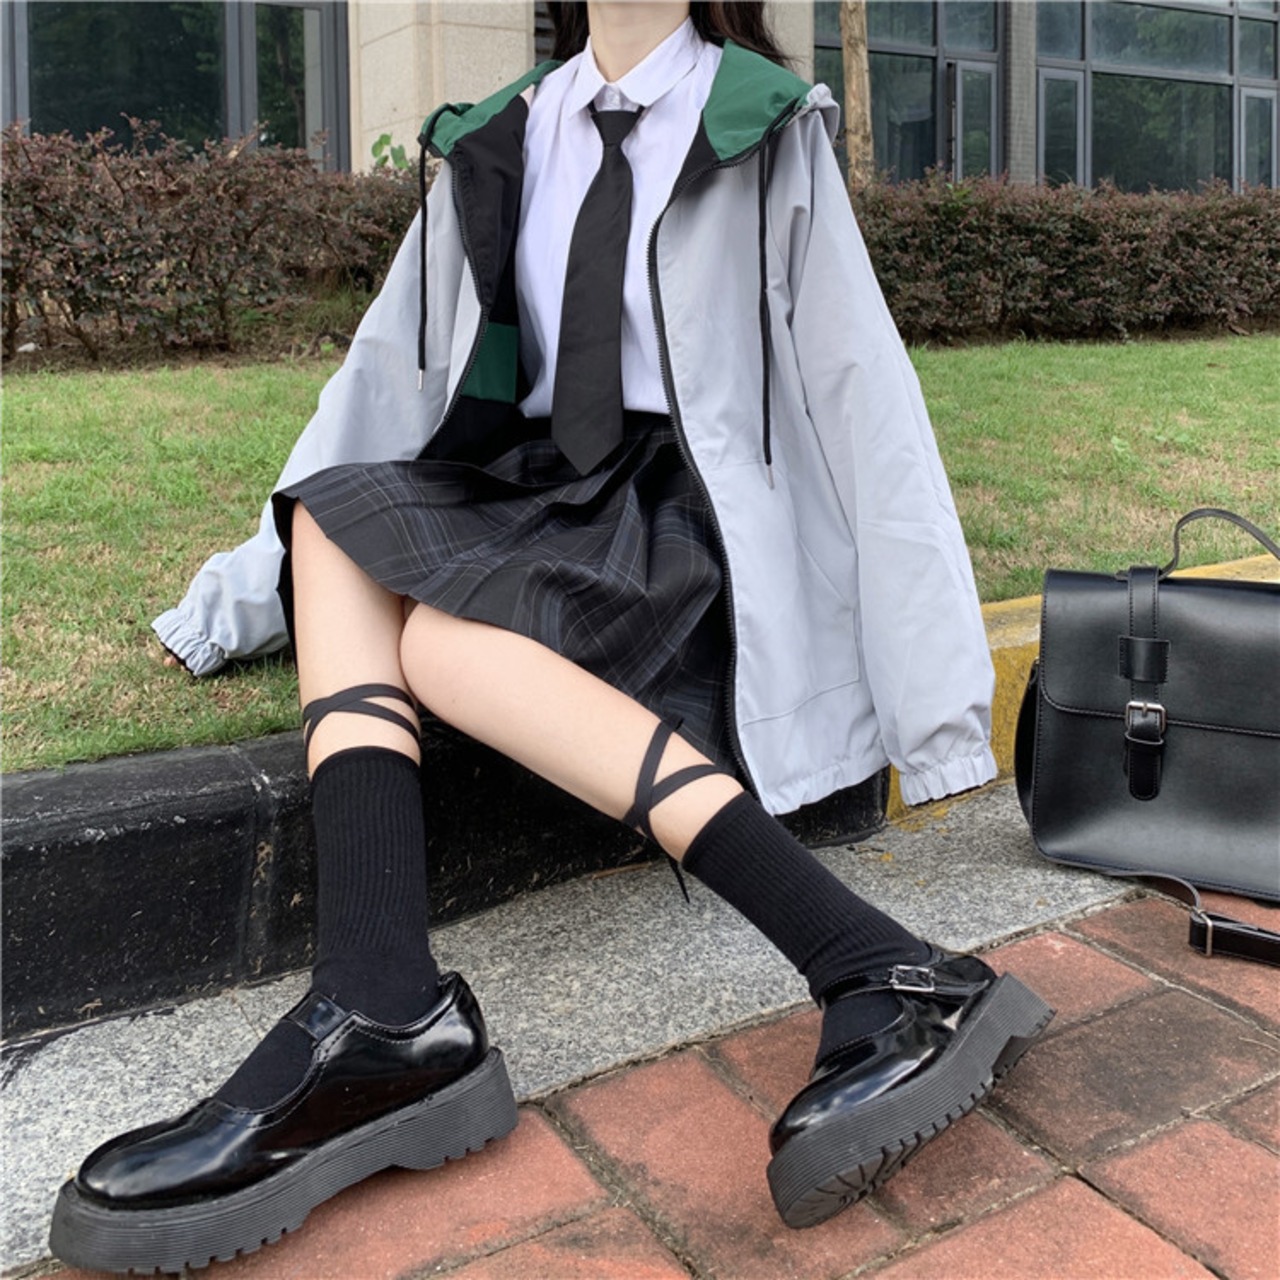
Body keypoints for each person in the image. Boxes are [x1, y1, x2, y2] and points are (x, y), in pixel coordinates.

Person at [51, 3, 1052, 1272]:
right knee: (329, 519)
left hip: (681, 512)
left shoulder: (758, 123)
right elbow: (378, 385)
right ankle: (380, 1005)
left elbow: (866, 399)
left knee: (444, 649)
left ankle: (879, 963)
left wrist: (934, 699)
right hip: (535, 488)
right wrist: (234, 599)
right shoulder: (501, 134)